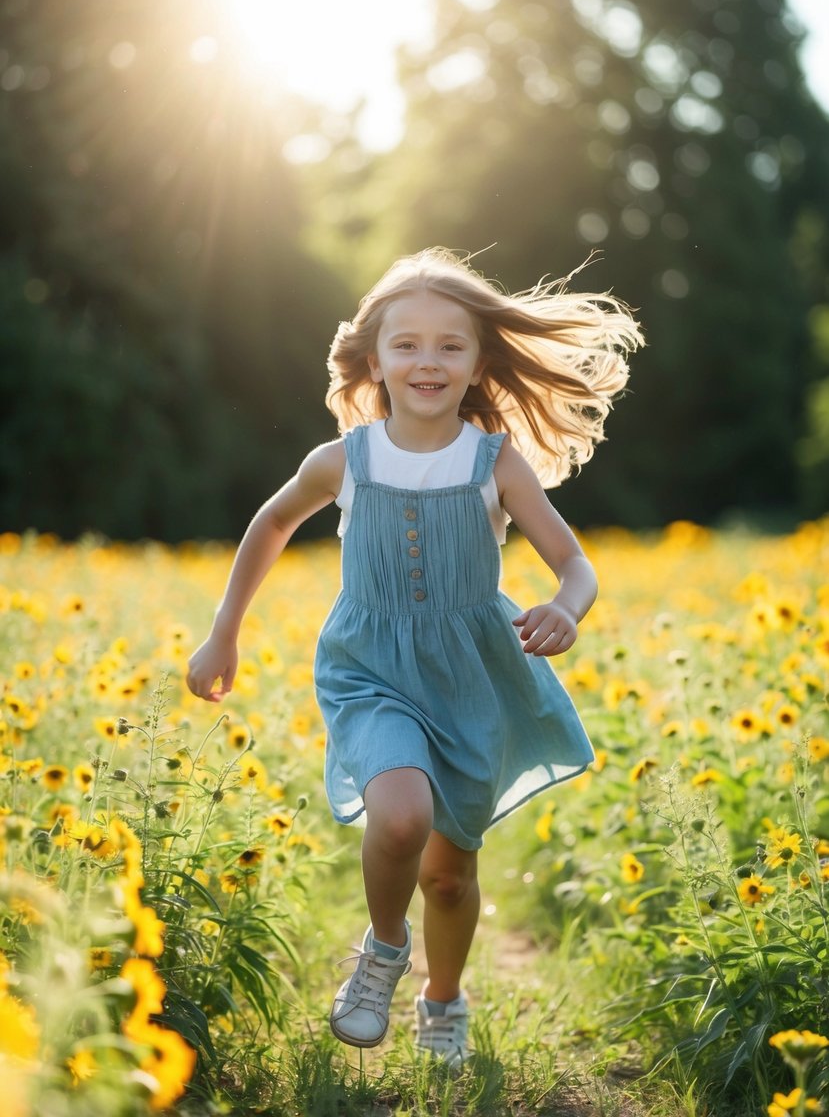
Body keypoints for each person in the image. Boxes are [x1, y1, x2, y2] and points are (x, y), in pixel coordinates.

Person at [186, 248, 642, 1067]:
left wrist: (565, 608)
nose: (426, 361)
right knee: (400, 817)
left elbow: (574, 565)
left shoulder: (493, 464)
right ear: (373, 359)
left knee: (448, 875)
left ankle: (444, 998)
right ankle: (384, 950)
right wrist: (225, 630)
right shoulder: (344, 460)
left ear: (476, 365)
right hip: (370, 670)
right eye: (406, 345)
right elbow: (270, 523)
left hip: (473, 679)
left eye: (449, 346)